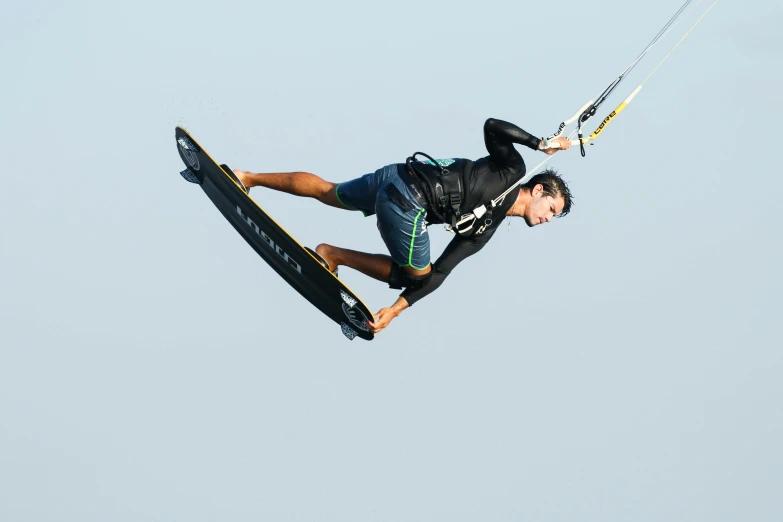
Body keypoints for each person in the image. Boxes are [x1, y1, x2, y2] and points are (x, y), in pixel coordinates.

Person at [233, 118, 574, 335]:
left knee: (329, 191)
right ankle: (332, 254)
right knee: (415, 274)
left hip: (395, 176)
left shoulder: (485, 228)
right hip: (408, 201)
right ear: (539, 190)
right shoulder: (512, 170)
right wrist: (538, 143)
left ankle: (246, 177)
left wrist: (395, 311)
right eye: (551, 209)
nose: (547, 218)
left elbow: (443, 271)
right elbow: (492, 127)